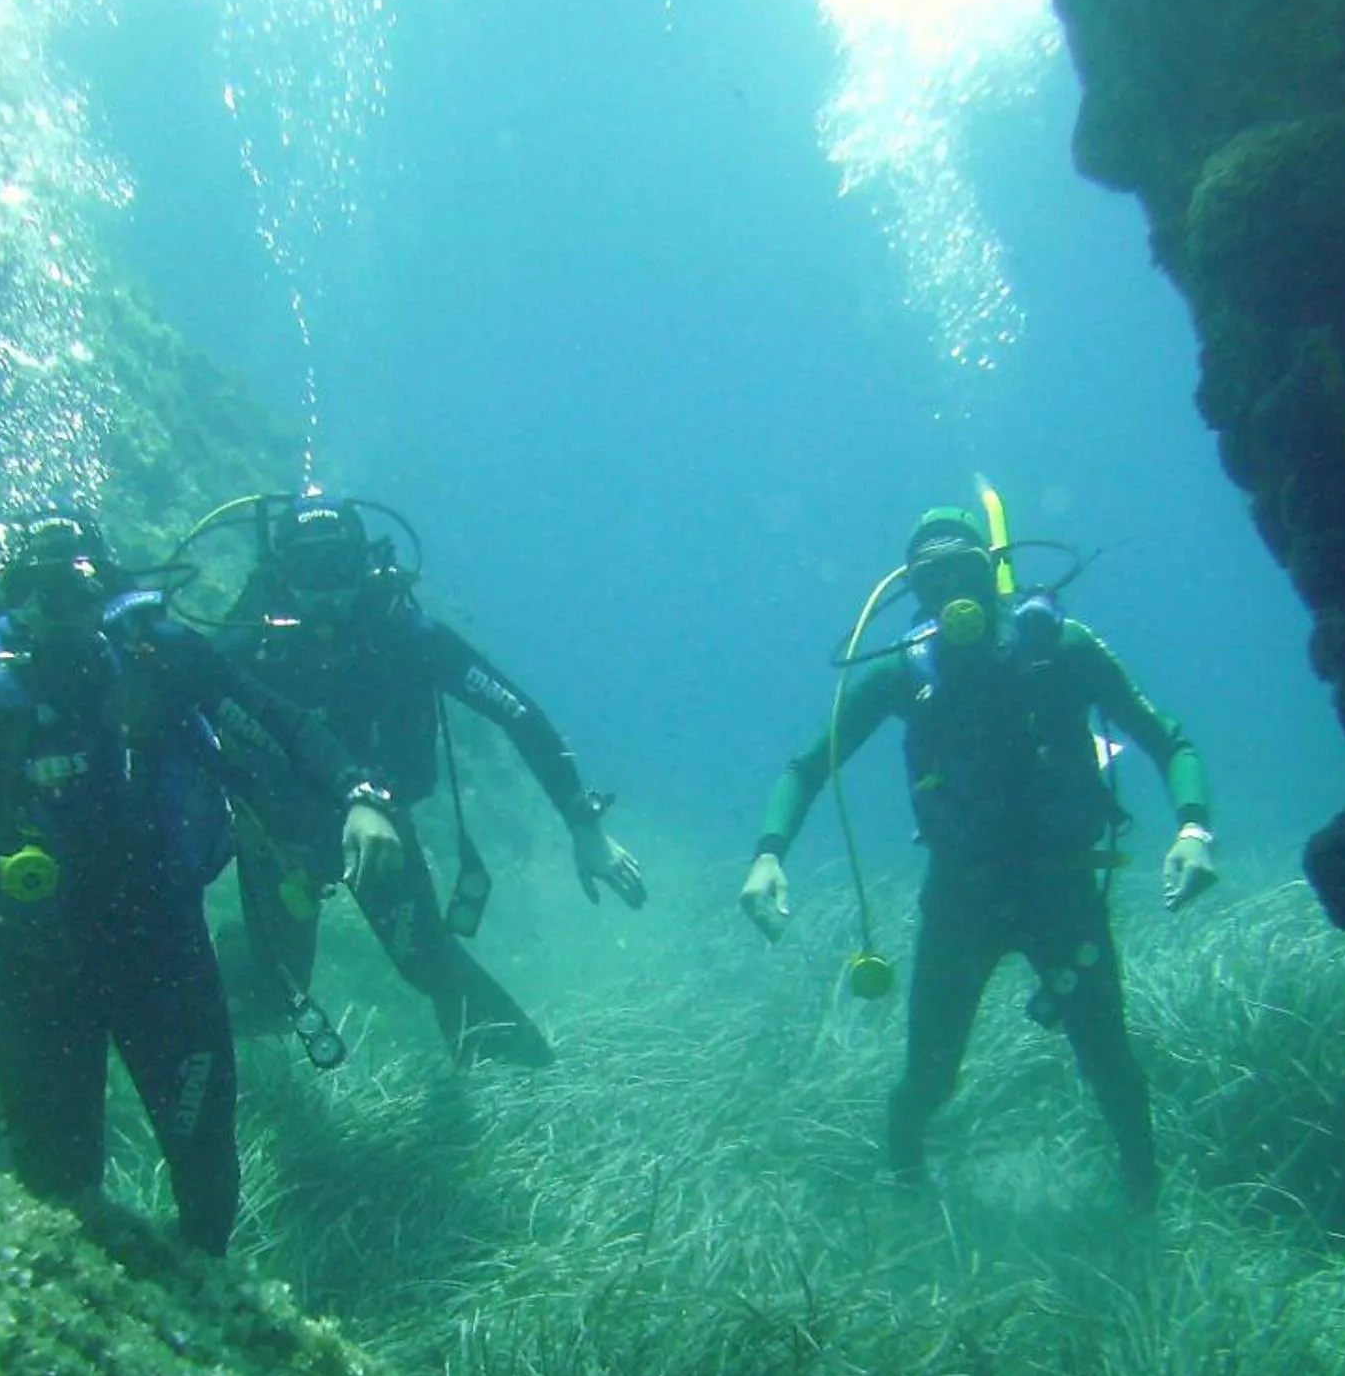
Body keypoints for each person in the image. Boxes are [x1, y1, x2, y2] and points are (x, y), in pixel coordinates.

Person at [0, 510, 399, 1256]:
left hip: (164, 948)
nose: (58, 614)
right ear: (10, 596)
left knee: (205, 1166)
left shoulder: (160, 657)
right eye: (36, 595)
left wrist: (362, 795)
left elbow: (285, 723)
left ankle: (206, 1299)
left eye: (75, 591)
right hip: (35, 963)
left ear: (108, 589)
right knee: (58, 1189)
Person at [738, 505, 1218, 1211]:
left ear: (995, 572)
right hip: (961, 900)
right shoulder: (906, 673)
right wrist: (768, 855)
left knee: (1111, 1066)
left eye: (964, 569)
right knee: (929, 1079)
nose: (951, 592)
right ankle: (906, 1190)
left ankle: (1143, 1204)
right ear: (914, 593)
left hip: (1063, 893)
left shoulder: (1065, 650)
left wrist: (1193, 830)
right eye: (932, 579)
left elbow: (1168, 739)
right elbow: (808, 767)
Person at [210, 494, 646, 1069]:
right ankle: (244, 971)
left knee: (430, 963)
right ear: (279, 574)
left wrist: (583, 825)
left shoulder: (407, 637)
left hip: (382, 835)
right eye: (305, 573)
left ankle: (524, 1083)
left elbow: (518, 714)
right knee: (271, 995)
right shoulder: (245, 649)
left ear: (364, 566)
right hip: (279, 838)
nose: (325, 592)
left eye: (338, 570)